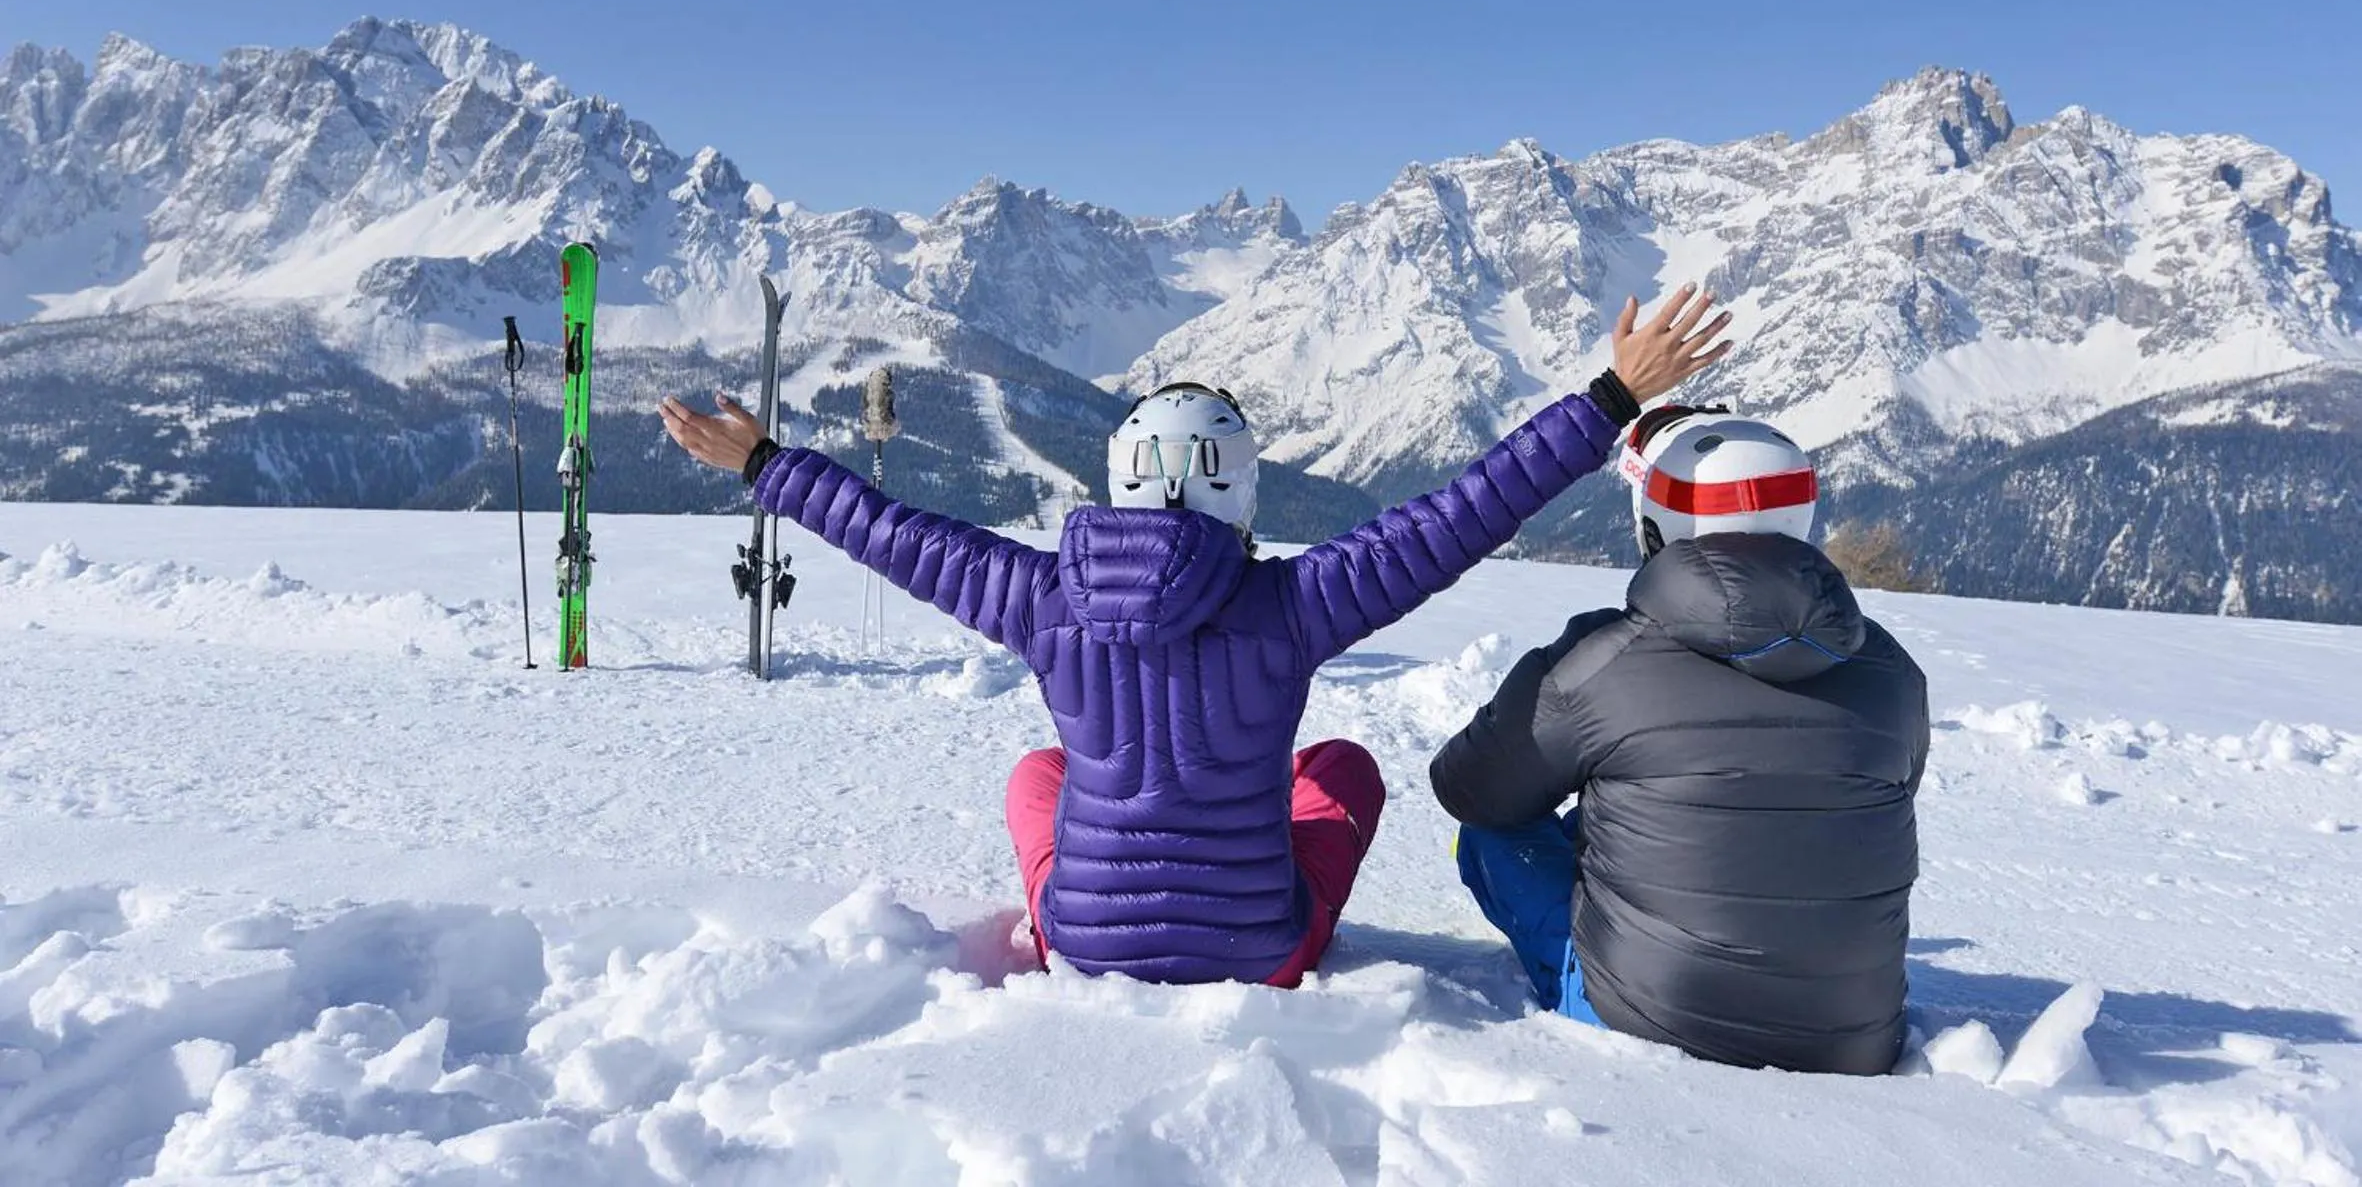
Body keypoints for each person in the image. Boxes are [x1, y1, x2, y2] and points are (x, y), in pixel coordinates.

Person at [660, 287, 1731, 988]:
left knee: (1042, 772)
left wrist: (764, 465)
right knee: (1342, 769)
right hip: (1262, 950)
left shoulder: (1040, 597)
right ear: (1243, 491)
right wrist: (1608, 398)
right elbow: (1463, 512)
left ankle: (1079, 899)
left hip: (1084, 942)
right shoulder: (1300, 601)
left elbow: (898, 536)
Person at [1428, 404, 1931, 1074]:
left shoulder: (1607, 659)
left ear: (1655, 525)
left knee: (1491, 834)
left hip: (1645, 1023)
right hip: (1857, 1039)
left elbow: (1470, 785)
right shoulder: (1892, 671)